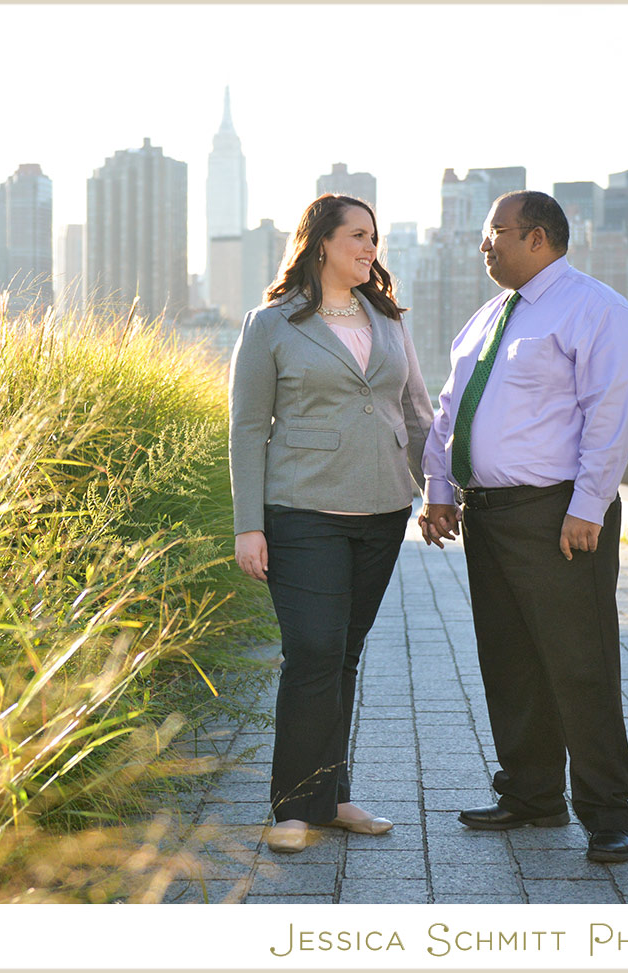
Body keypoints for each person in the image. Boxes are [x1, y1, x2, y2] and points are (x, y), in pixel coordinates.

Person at [418, 190, 628, 863]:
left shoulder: (598, 309)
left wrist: (588, 504)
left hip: (558, 512)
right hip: (488, 515)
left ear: (539, 237)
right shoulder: (486, 319)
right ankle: (532, 793)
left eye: (496, 234)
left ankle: (608, 811)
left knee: (581, 662)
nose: (484, 246)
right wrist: (438, 488)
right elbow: (448, 409)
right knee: (509, 661)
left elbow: (613, 408)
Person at [229, 194, 433, 854]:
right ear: (320, 243)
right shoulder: (272, 324)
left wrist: (439, 492)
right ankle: (293, 805)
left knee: (341, 654)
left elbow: (417, 413)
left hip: (383, 511)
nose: (369, 247)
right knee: (313, 649)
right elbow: (247, 429)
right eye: (356, 235)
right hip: (302, 512)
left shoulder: (388, 319)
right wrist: (248, 524)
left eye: (374, 237)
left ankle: (333, 796)